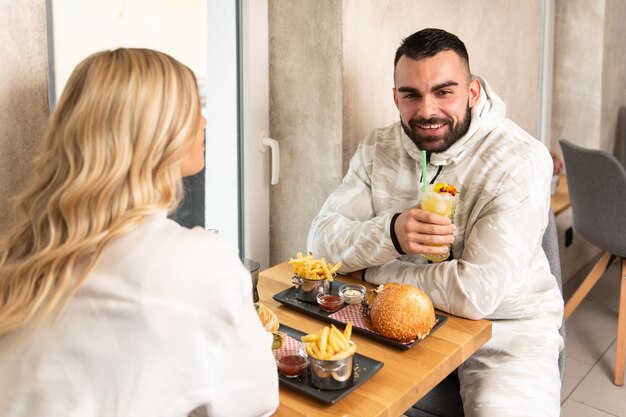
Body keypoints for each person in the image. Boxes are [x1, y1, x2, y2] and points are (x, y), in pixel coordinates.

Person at [0, 48, 279, 417]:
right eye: (192, 111)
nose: (205, 122)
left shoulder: (20, 253)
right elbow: (257, 398)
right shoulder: (197, 263)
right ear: (155, 134)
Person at [307, 28, 563, 417]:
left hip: (506, 329)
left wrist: (373, 268)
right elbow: (319, 244)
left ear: (473, 92)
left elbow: (475, 294)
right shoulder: (379, 148)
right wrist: (392, 232)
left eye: (444, 92)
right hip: (383, 317)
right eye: (411, 94)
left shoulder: (519, 160)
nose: (426, 111)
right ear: (395, 97)